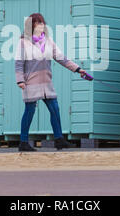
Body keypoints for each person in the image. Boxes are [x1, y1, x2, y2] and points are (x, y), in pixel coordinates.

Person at [15, 13, 86, 151]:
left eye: (42, 23)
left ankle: (59, 140)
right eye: (37, 23)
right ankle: (23, 142)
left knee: (55, 109)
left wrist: (77, 69)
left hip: (46, 82)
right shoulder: (23, 42)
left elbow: (62, 59)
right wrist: (20, 81)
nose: (41, 25)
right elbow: (18, 64)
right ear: (31, 26)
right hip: (30, 83)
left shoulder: (49, 41)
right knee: (29, 111)